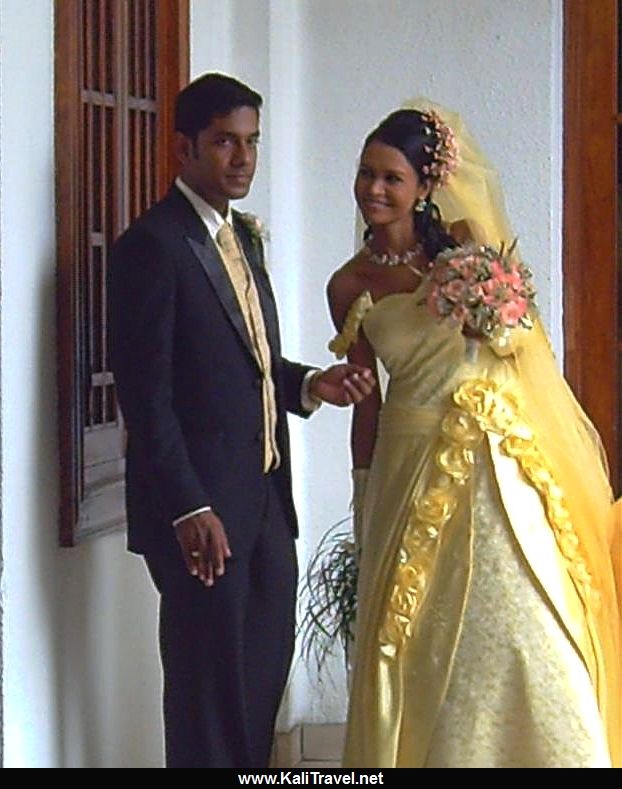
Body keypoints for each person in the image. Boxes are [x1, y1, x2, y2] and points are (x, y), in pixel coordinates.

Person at [327, 101, 622, 768]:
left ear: (424, 187)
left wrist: (491, 313)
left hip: (490, 458)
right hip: (407, 457)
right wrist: (364, 492)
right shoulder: (349, 284)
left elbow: (519, 346)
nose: (374, 189)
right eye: (365, 173)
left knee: (528, 614)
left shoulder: (461, 244)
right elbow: (364, 400)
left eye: (391, 178)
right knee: (420, 630)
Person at [108, 72, 375, 769]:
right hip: (201, 516)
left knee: (257, 682)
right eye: (225, 142)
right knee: (206, 692)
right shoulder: (152, 246)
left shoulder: (240, 239)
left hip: (263, 504)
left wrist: (309, 382)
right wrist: (189, 504)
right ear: (183, 148)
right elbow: (147, 393)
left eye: (252, 142)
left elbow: (245, 362)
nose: (243, 159)